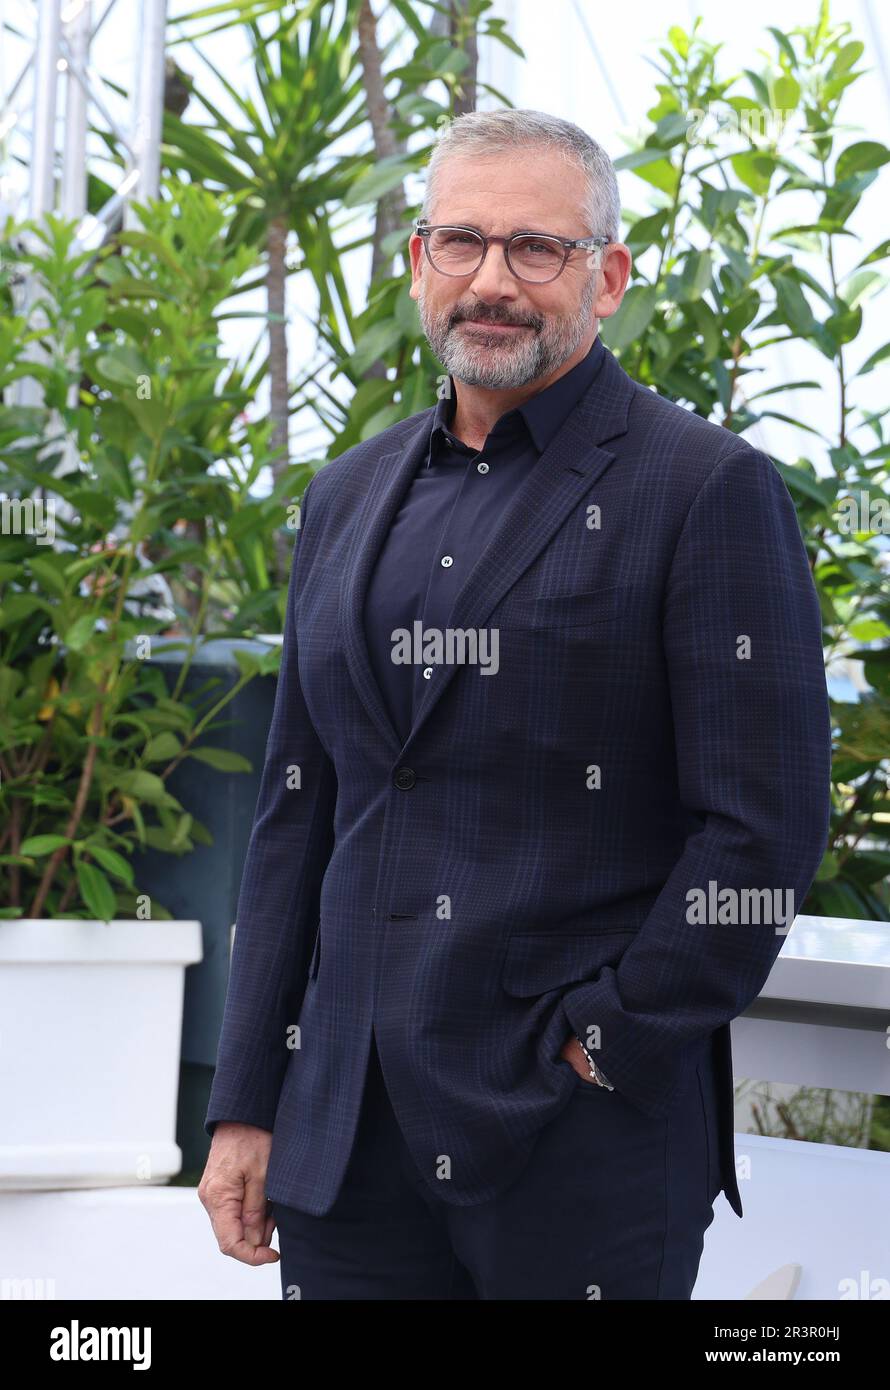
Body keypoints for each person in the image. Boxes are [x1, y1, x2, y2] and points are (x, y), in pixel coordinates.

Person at [198, 109, 832, 1300]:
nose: (491, 281)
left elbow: (761, 830)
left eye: (534, 249)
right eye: (460, 243)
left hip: (576, 1150)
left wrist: (600, 1046)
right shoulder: (341, 498)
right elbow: (299, 814)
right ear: (417, 264)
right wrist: (244, 1101)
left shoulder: (703, 490)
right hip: (343, 1141)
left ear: (606, 275)